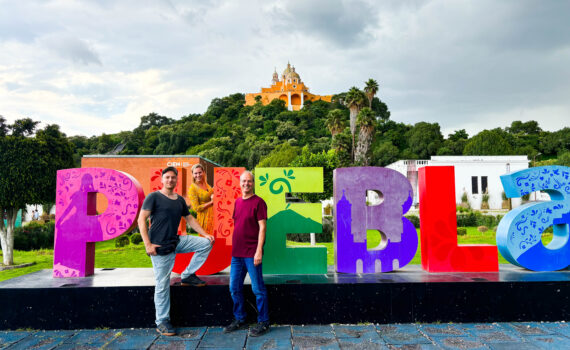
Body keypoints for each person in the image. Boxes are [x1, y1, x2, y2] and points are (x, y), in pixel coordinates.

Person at [138, 166, 215, 336]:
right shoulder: (154, 197)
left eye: (173, 178)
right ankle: (162, 321)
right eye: (167, 178)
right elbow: (141, 220)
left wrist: (205, 234)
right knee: (162, 285)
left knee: (205, 244)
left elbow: (190, 219)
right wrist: (147, 245)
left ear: (176, 180)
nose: (170, 180)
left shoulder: (179, 200)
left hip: (176, 241)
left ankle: (187, 275)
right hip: (160, 248)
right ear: (162, 179)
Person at [223, 170, 269, 337]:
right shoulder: (237, 201)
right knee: (234, 288)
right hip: (237, 254)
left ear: (253, 183)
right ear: (240, 183)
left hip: (252, 253)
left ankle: (264, 322)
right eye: (243, 181)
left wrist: (258, 251)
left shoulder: (259, 203)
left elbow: (262, 227)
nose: (246, 184)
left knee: (258, 289)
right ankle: (240, 318)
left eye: (249, 181)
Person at [188, 163, 214, 236]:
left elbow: (210, 194)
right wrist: (211, 202)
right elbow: (196, 208)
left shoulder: (206, 184)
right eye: (195, 173)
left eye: (200, 172)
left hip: (213, 217)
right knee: (206, 242)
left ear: (203, 172)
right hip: (204, 219)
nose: (198, 175)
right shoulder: (192, 189)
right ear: (192, 174)